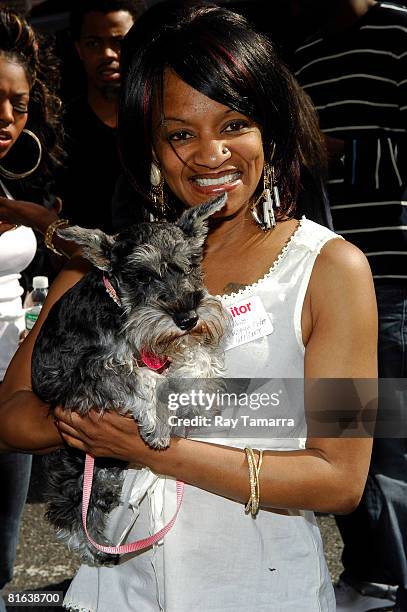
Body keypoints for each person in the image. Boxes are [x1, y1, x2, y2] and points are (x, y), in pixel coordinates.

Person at [0, 3, 377, 611]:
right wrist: (88, 422)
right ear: (149, 143)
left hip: (260, 588)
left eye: (234, 125)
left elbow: (342, 477)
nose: (210, 155)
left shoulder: (332, 270)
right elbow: (12, 413)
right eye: (181, 133)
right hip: (112, 590)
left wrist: (156, 447)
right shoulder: (107, 264)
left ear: (270, 130)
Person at [293, 1, 407, 610]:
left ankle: (394, 580)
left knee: (389, 445)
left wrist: (340, 152)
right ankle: (372, 574)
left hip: (391, 281)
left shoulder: (398, 31)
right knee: (342, 435)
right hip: (321, 286)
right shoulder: (306, 52)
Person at [0, 8, 63, 611]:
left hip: (9, 385)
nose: (6, 118)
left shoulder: (11, 185)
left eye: (19, 105)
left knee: (1, 558)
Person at [56, 0, 144, 234]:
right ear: (78, 49)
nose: (108, 54)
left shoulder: (163, 119)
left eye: (120, 42)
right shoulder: (57, 129)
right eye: (94, 43)